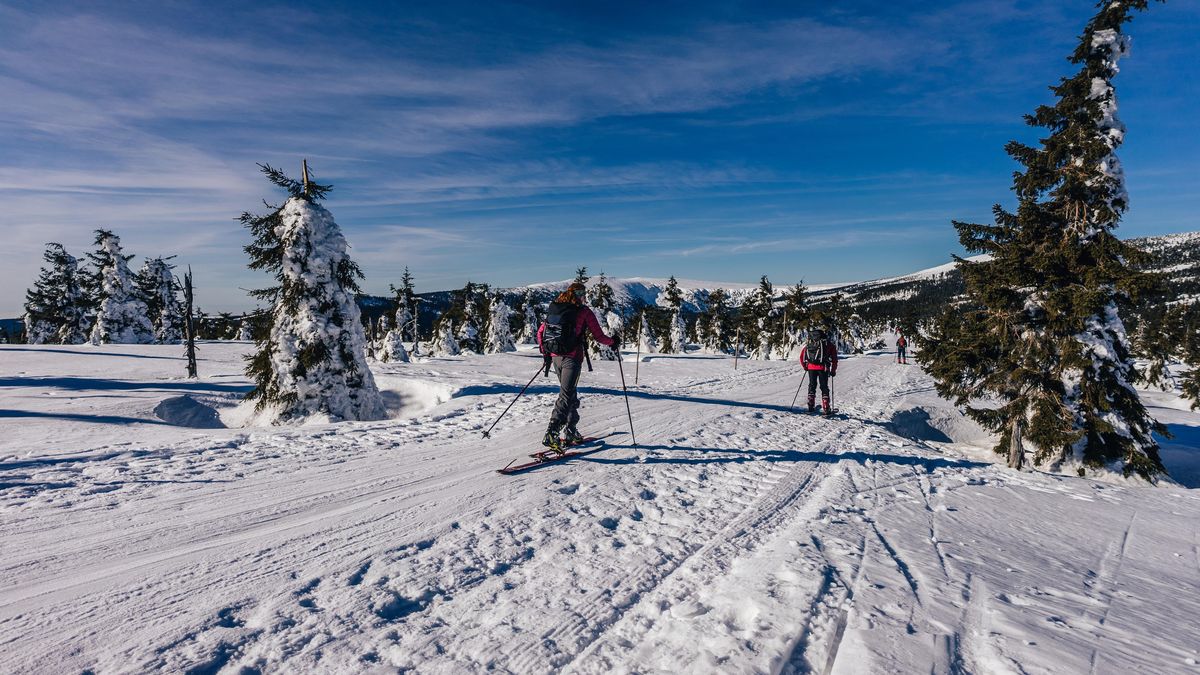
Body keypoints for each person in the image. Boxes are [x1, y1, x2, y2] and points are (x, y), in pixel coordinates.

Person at [537, 282, 618, 453]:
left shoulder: (555, 309)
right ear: (579, 295)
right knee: (566, 395)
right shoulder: (584, 311)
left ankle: (571, 430)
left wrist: (546, 353)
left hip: (555, 357)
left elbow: (541, 332)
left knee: (569, 392)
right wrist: (613, 342)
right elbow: (599, 336)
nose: (584, 297)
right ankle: (552, 432)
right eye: (583, 294)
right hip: (572, 358)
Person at [799, 328, 838, 415]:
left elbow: (802, 357)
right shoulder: (829, 344)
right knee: (824, 387)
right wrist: (833, 370)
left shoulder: (810, 343)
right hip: (823, 368)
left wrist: (805, 366)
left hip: (811, 368)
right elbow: (834, 359)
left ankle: (811, 405)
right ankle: (826, 407)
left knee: (812, 385)